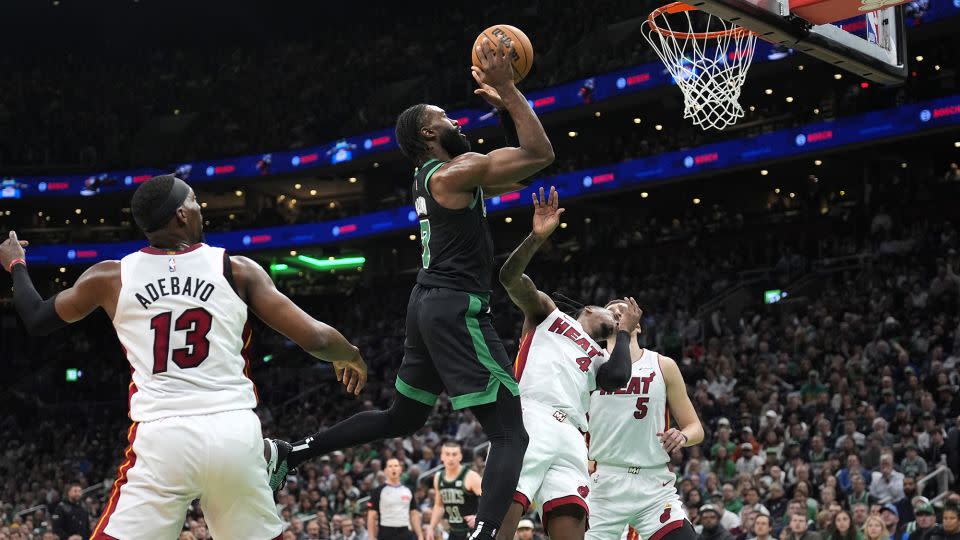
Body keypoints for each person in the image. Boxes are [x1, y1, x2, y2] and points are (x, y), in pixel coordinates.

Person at [272, 38, 555, 540]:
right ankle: (486, 534)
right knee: (510, 432)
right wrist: (510, 92)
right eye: (448, 117)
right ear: (429, 132)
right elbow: (539, 154)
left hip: (424, 303)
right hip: (453, 307)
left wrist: (506, 109)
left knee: (401, 417)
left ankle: (292, 452)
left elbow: (512, 167)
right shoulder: (455, 172)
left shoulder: (437, 177)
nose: (459, 122)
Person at [0, 175, 367, 540]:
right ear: (180, 215)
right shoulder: (236, 269)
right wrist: (350, 354)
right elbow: (317, 338)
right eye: (194, 200)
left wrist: (17, 264)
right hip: (234, 433)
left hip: (163, 437)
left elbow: (35, 317)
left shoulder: (111, 276)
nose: (200, 207)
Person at [494, 187, 638, 540]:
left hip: (573, 435)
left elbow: (617, 377)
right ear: (589, 309)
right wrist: (536, 238)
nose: (618, 316)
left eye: (624, 316)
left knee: (572, 517)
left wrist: (623, 333)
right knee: (505, 508)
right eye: (613, 308)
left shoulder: (605, 357)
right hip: (532, 415)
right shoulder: (549, 314)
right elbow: (509, 278)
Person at [585, 297, 704, 540]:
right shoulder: (589, 365)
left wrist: (682, 435)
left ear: (637, 324)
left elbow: (695, 428)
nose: (618, 313)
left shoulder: (663, 365)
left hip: (653, 483)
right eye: (610, 313)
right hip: (604, 483)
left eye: (623, 310)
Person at [427, 441, 482, 540]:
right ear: (442, 456)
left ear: (460, 456)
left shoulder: (471, 476)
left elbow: (488, 500)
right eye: (447, 454)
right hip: (454, 531)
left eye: (454, 454)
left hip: (472, 531)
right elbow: (439, 506)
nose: (451, 458)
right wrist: (431, 527)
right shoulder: (438, 477)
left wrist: (478, 517)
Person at [368, 459, 424, 540]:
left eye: (396, 466)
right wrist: (371, 537)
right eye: (390, 466)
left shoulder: (408, 490)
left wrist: (420, 535)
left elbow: (414, 514)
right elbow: (371, 516)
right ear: (385, 471)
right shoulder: (378, 491)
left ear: (400, 470)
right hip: (386, 532)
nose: (393, 468)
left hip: (405, 531)